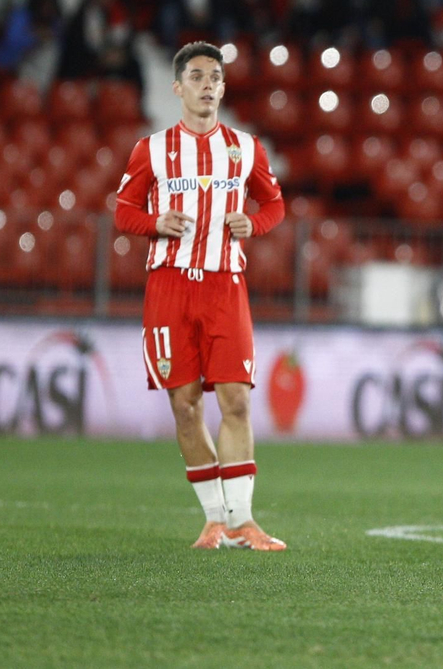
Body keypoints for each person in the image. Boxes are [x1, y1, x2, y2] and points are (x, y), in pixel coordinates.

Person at [113, 42, 287, 551]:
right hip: (168, 286)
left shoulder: (246, 148)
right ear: (178, 87)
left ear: (223, 88)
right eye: (196, 76)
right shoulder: (152, 149)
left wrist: (253, 223)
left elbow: (275, 204)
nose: (207, 84)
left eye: (215, 77)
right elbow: (123, 212)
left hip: (225, 286)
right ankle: (215, 520)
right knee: (185, 408)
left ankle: (243, 522)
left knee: (236, 401)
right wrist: (154, 222)